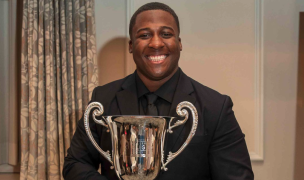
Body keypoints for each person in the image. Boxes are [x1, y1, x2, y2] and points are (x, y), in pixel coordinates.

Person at [63, 2, 254, 180]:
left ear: (179, 43)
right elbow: (75, 163)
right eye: (144, 35)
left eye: (166, 34)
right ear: (131, 46)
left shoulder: (215, 107)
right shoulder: (103, 99)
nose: (156, 43)